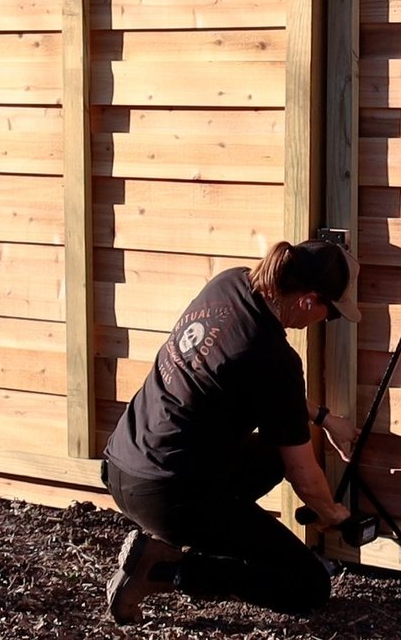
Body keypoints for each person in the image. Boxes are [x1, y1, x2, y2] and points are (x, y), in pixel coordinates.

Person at [100, 237, 364, 623]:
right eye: (331, 312)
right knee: (306, 585)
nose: (325, 320)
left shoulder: (230, 284)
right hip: (168, 493)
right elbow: (303, 476)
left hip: (124, 463)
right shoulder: (273, 356)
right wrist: (332, 513)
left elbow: (255, 386)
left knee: (273, 455)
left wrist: (324, 418)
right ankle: (165, 569)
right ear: (309, 300)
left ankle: (193, 535)